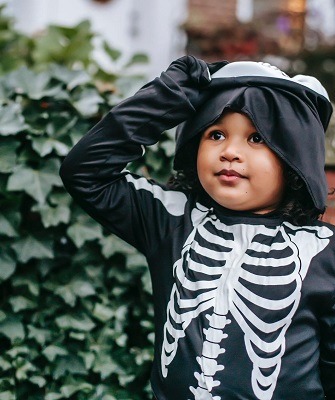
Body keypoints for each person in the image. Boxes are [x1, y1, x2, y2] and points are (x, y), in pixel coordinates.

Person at [60, 56, 335, 400]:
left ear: (295, 154)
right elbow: (85, 172)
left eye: (257, 138)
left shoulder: (323, 251)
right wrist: (167, 95)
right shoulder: (170, 219)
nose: (230, 152)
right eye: (216, 134)